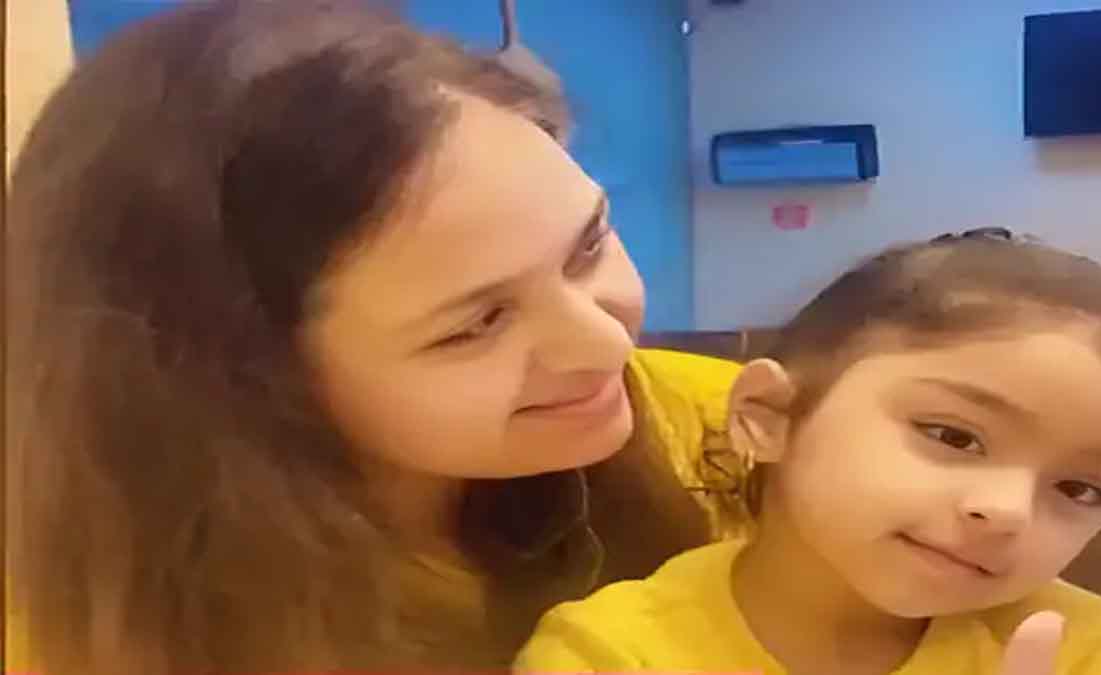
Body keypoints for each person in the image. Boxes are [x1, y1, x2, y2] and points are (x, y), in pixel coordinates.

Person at [5, 1, 752, 672]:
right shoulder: (87, 635)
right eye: (477, 325)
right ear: (248, 378)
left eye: (588, 246)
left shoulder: (733, 429)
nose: (607, 345)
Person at [516, 230, 1101, 674]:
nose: (1007, 510)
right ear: (768, 415)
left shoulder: (1088, 653)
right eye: (954, 436)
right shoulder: (611, 654)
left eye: (1080, 490)